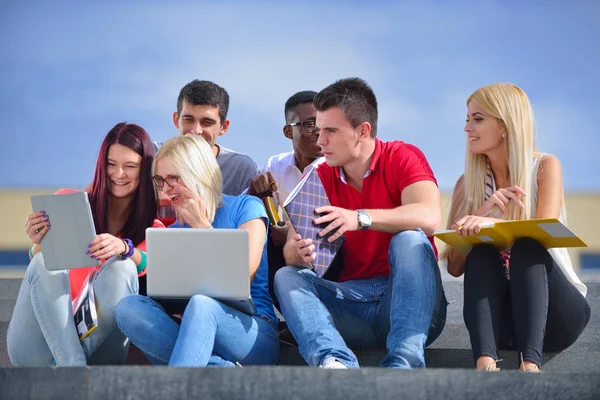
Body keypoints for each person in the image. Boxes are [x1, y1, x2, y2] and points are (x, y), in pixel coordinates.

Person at [273, 78, 447, 369]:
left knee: (410, 239)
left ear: (362, 131)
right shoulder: (318, 177)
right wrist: (301, 253)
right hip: (353, 305)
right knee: (286, 275)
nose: (319, 141)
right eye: (318, 130)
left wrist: (359, 218)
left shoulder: (402, 156)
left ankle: (403, 366)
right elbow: (290, 252)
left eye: (330, 131)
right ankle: (334, 362)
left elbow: (430, 217)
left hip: (414, 306)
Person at [443, 83, 590, 372]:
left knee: (527, 245)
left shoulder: (545, 167)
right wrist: (480, 215)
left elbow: (543, 235)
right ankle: (485, 364)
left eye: (477, 118)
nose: (467, 128)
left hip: (554, 317)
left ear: (505, 124)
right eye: (467, 119)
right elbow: (454, 267)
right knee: (481, 251)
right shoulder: (466, 185)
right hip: (501, 320)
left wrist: (494, 222)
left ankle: (530, 367)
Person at [114, 134, 279, 367]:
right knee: (128, 307)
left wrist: (203, 227)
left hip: (251, 331)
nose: (167, 189)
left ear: (198, 173)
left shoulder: (246, 208)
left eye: (174, 178)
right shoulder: (174, 230)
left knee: (202, 304)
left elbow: (243, 273)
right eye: (160, 180)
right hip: (193, 329)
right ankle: (220, 368)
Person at [7, 122, 163, 366]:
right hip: (39, 343)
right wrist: (38, 242)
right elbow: (39, 266)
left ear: (143, 171)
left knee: (123, 267)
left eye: (130, 166)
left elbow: (148, 262)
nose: (118, 174)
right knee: (42, 262)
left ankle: (69, 365)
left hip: (100, 345)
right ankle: (73, 367)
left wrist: (124, 248)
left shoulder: (151, 225)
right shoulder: (66, 202)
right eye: (111, 164)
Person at [247, 90, 324, 301]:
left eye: (323, 123)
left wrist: (289, 232)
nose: (319, 130)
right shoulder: (276, 164)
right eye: (309, 124)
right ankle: (263, 310)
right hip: (283, 255)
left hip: (326, 257)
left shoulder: (335, 167)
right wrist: (254, 190)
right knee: (259, 234)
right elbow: (249, 207)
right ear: (288, 132)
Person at [155, 79, 259, 196]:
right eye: (188, 120)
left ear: (223, 127)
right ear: (176, 120)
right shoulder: (151, 154)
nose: (196, 131)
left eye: (207, 122)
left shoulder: (240, 169)